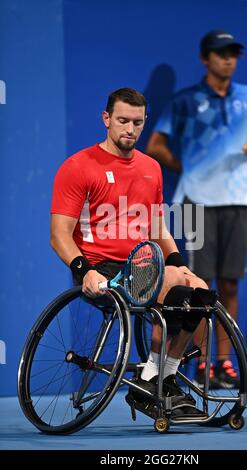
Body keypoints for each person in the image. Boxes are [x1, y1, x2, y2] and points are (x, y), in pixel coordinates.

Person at [50, 87, 210, 417]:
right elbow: (59, 236)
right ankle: (153, 378)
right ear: (106, 119)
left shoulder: (151, 167)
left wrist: (182, 265)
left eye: (138, 123)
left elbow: (157, 229)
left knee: (200, 290)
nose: (130, 129)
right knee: (169, 282)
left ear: (144, 121)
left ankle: (161, 376)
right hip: (103, 271)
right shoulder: (78, 167)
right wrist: (84, 270)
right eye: (122, 120)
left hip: (143, 265)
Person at [146, 30, 247, 388]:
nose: (228, 59)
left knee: (230, 285)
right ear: (206, 59)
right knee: (200, 287)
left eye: (233, 53)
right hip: (197, 204)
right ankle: (203, 364)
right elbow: (155, 145)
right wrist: (188, 169)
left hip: (238, 202)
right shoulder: (186, 101)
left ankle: (224, 362)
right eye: (221, 54)